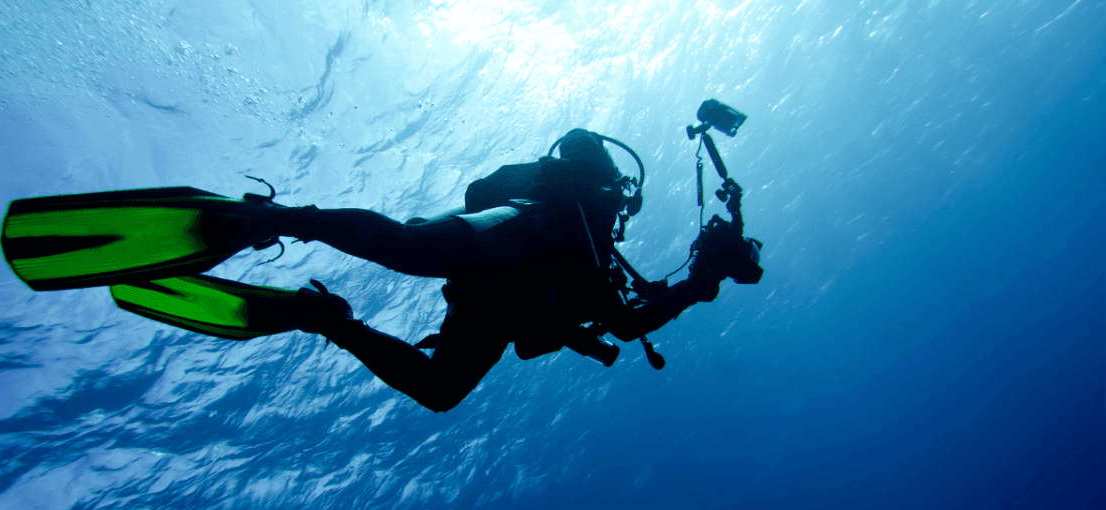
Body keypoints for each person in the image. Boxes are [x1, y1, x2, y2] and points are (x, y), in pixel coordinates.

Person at [243, 129, 762, 411]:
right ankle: (279, 218)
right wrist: (697, 284)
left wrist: (696, 285)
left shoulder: (598, 252)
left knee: (440, 391)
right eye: (625, 194)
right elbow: (627, 323)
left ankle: (325, 317)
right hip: (507, 235)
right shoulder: (574, 207)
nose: (626, 204)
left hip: (493, 304)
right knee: (408, 248)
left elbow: (624, 324)